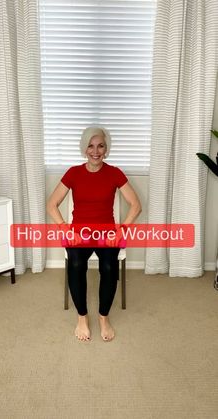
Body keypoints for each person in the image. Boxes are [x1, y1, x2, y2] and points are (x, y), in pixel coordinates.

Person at [47, 127, 142, 342]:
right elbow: (52, 204)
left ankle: (103, 317)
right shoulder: (73, 172)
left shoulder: (114, 172)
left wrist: (121, 229)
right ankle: (82, 317)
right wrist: (64, 228)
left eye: (100, 146)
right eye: (91, 145)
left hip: (107, 234)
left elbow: (136, 205)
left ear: (106, 149)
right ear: (84, 148)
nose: (95, 151)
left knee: (109, 266)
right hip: (79, 234)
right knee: (77, 265)